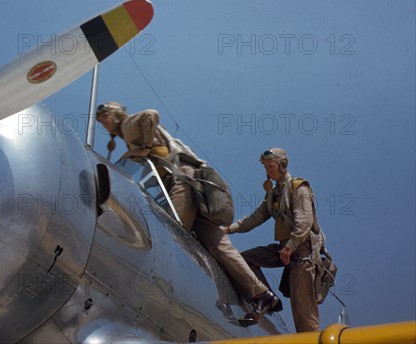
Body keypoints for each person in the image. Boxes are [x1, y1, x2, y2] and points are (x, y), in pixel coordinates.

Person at [96, 102, 280, 321]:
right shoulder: (127, 132)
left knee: (167, 233)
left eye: (104, 117)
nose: (104, 124)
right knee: (217, 244)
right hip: (193, 186)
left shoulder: (127, 125)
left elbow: (150, 115)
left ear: (114, 114)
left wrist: (142, 147)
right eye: (100, 121)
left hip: (181, 183)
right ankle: (261, 294)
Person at [223, 148, 321, 332]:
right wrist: (227, 229)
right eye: (266, 167)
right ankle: (266, 297)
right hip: (285, 250)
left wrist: (290, 247)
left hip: (301, 256)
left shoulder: (299, 189)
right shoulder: (273, 195)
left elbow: (305, 222)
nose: (268, 171)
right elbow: (253, 219)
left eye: (271, 166)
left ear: (282, 165)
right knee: (244, 260)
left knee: (304, 320)